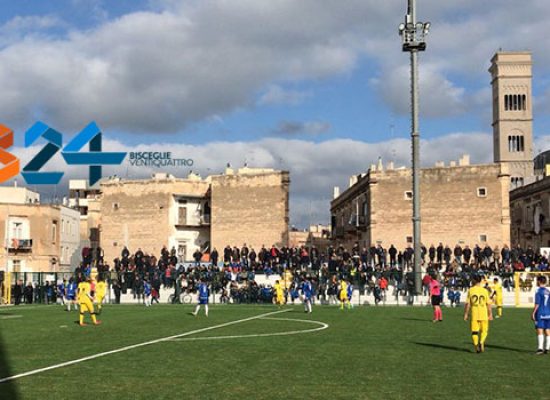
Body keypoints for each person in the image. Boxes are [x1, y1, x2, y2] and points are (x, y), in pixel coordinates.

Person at [464, 274, 492, 353]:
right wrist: (490, 314)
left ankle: (476, 346)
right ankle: (481, 341)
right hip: (483, 313)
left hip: (474, 313)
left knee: (474, 332)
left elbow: (468, 304)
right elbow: (488, 304)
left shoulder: (471, 290)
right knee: (484, 331)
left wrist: (466, 314)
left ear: (474, 280)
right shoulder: (485, 291)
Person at [532, 275, 550, 355]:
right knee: (547, 330)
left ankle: (540, 349)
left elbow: (537, 303)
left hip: (541, 313)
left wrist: (533, 313)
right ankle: (547, 348)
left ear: (539, 281)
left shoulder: (538, 291)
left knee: (540, 330)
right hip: (548, 313)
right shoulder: (548, 291)